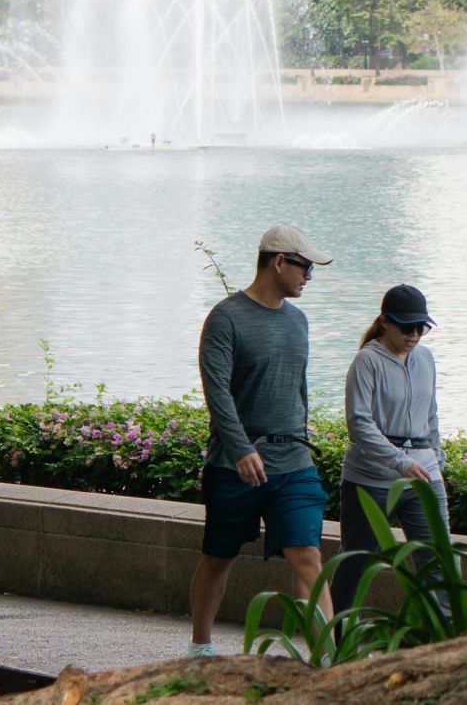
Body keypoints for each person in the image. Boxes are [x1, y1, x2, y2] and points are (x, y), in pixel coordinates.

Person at [186, 224, 334, 657]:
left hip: (294, 463)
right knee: (219, 557)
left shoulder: (298, 321)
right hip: (236, 467)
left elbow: (297, 390)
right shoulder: (226, 318)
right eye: (305, 267)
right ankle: (200, 646)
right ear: (279, 262)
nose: (309, 277)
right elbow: (217, 393)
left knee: (308, 557)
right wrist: (241, 449)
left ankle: (327, 658)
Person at [328, 284, 449, 612]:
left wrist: (436, 458)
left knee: (437, 562)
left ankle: (444, 645)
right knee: (357, 561)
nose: (414, 334)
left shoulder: (425, 358)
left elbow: (431, 413)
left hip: (424, 474)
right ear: (385, 322)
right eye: (406, 327)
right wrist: (399, 462)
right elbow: (359, 424)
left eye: (421, 328)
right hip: (370, 478)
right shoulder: (367, 361)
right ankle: (335, 644)